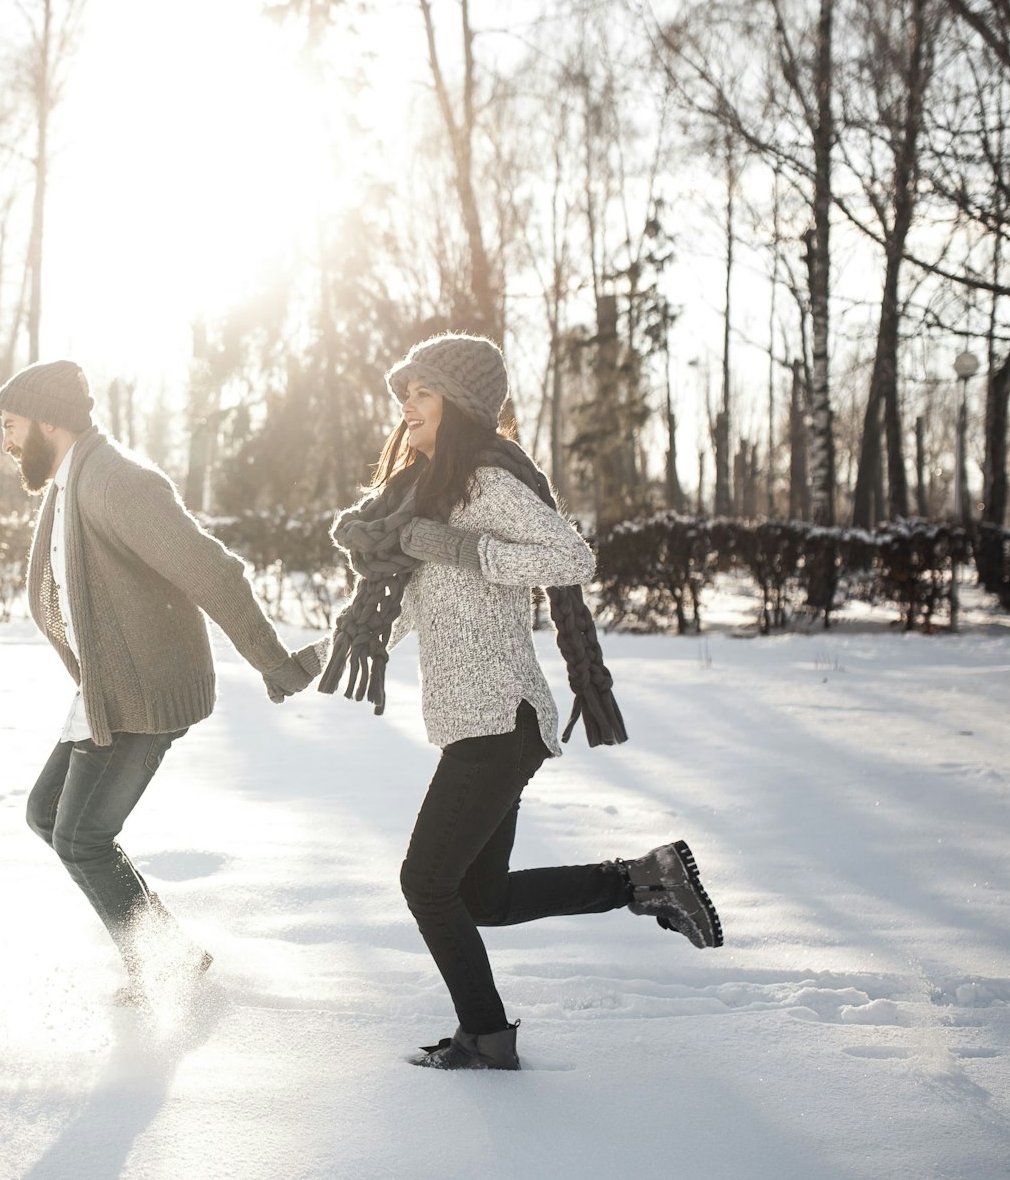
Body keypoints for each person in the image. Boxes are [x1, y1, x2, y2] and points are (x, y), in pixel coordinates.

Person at [277, 333, 723, 1071]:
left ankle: (485, 1035)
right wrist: (312, 660)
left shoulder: (484, 484)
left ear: (461, 403)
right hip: (480, 726)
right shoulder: (431, 496)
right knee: (477, 896)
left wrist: (463, 550)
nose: (406, 406)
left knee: (425, 883)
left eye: (422, 392)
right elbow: (405, 612)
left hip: (499, 721)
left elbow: (571, 556)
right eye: (404, 394)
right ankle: (645, 878)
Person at [0, 359, 320, 1006]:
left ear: (49, 420)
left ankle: (163, 964)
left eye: (11, 424)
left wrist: (273, 661)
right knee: (46, 813)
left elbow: (213, 570)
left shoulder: (116, 482)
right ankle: (169, 951)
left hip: (145, 693)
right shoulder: (68, 481)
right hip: (107, 690)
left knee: (81, 835)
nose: (6, 441)